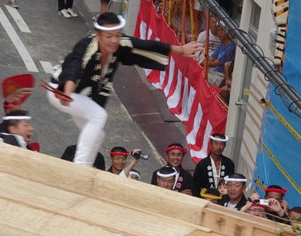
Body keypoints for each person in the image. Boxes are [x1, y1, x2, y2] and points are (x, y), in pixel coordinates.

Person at [50, 12, 199, 167]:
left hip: (80, 96)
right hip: (60, 90)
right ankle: (79, 166)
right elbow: (73, 67)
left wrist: (180, 50)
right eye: (109, 36)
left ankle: (86, 167)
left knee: (98, 135)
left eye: (117, 35)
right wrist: (66, 90)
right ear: (98, 35)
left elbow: (145, 45)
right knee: (99, 116)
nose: (114, 40)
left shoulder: (120, 44)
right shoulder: (86, 46)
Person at [192, 132, 234, 201]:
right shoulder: (202, 164)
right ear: (210, 145)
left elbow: (231, 184)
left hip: (224, 201)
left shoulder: (229, 163)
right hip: (206, 200)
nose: (219, 147)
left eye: (222, 144)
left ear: (225, 146)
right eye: (216, 143)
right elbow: (195, 186)